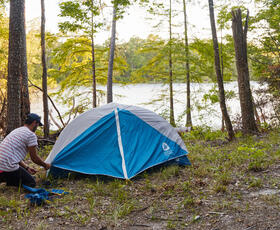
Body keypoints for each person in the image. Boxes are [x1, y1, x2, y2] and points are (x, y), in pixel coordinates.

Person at [0, 113, 51, 187]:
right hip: (7, 166)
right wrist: (45, 165)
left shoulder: (17, 130)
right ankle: (11, 181)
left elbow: (12, 155)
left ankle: (8, 178)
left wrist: (26, 168)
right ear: (34, 123)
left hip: (2, 165)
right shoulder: (30, 135)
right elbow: (34, 158)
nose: (37, 127)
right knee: (31, 183)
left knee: (16, 172)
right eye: (37, 124)